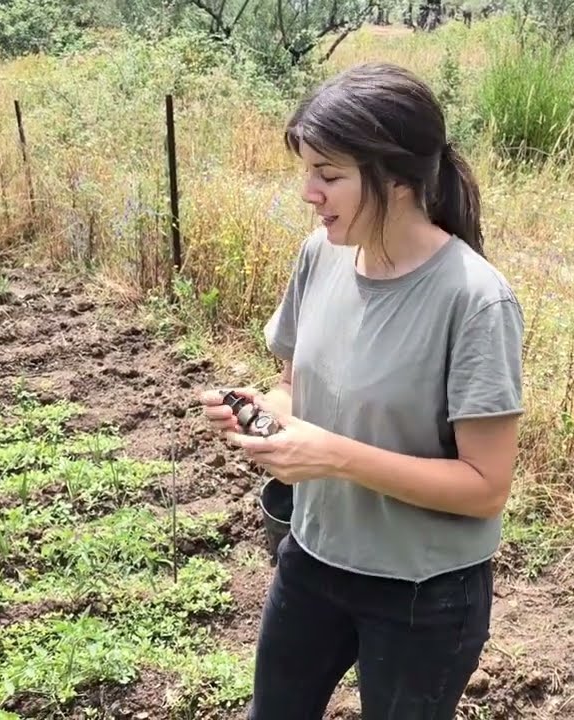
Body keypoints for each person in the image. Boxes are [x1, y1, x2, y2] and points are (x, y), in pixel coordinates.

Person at [198, 61, 525, 720]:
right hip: (313, 559)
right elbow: (295, 388)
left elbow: (485, 486)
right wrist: (266, 416)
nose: (307, 193)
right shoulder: (320, 256)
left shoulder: (474, 300)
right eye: (307, 171)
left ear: (398, 178)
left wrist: (334, 455)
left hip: (422, 593)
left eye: (328, 174)